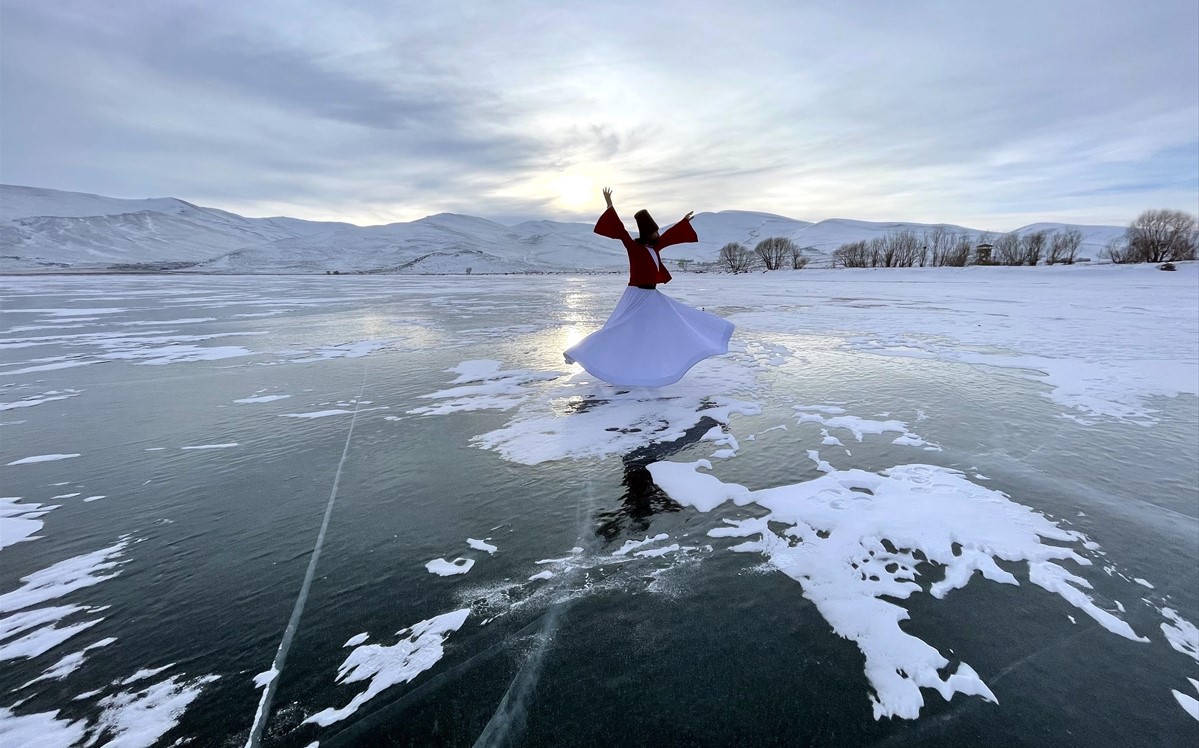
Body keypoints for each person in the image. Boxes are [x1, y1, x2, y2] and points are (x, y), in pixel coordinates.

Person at [563, 188, 734, 387]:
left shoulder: (655, 247)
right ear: (646, 233)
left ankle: (648, 365)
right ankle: (579, 352)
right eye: (654, 232)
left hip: (652, 296)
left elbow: (669, 236)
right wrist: (609, 205)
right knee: (617, 329)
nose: (658, 234)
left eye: (657, 231)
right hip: (636, 294)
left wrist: (683, 222)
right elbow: (621, 231)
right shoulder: (634, 247)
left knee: (665, 325)